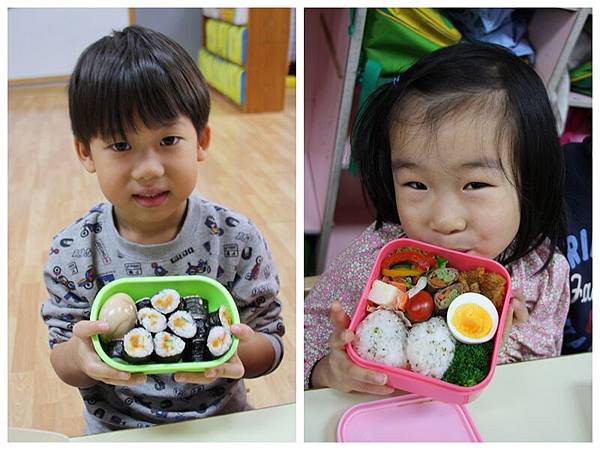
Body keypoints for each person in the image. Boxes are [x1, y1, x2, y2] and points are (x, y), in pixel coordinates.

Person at [40, 26, 284, 434]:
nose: (150, 169)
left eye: (168, 140)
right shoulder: (75, 251)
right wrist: (82, 360)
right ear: (86, 152)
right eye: (120, 146)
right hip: (117, 431)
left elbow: (271, 342)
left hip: (220, 423)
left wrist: (239, 350)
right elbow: (63, 352)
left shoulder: (236, 239)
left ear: (201, 141)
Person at [304, 42, 570, 394]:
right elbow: (308, 337)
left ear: (529, 181)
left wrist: (500, 339)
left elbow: (544, 380)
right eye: (416, 184)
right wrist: (326, 372)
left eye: (475, 184)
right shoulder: (377, 254)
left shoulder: (543, 275)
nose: (444, 220)